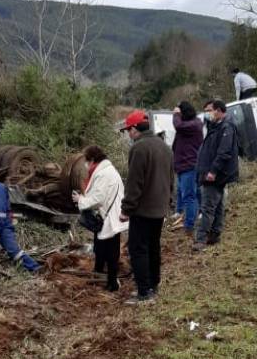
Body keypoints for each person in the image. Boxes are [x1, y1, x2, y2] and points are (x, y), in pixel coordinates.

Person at [119, 110, 174, 304]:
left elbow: (134, 183)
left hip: (143, 209)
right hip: (159, 208)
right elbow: (170, 179)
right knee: (153, 247)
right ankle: (153, 285)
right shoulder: (164, 147)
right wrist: (169, 201)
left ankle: (144, 292)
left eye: (128, 130)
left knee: (138, 249)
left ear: (134, 129)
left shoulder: (139, 149)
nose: (128, 134)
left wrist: (126, 209)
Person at [72, 145, 128, 292]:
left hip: (109, 217)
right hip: (109, 215)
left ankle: (112, 283)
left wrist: (80, 200)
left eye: (86, 161)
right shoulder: (106, 170)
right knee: (103, 246)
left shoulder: (103, 174)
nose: (85, 164)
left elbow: (98, 198)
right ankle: (101, 273)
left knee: (111, 249)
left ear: (92, 160)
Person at [193, 100, 240, 252]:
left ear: (219, 110)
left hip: (215, 175)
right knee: (218, 206)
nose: (207, 113)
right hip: (215, 174)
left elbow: (224, 152)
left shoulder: (226, 127)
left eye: (209, 110)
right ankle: (214, 235)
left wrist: (213, 171)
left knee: (207, 207)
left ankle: (200, 240)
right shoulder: (217, 126)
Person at [171, 101, 204, 237]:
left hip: (189, 165)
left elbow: (178, 125)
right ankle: (198, 215)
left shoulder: (194, 124)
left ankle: (189, 226)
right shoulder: (192, 124)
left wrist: (176, 114)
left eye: (180, 113)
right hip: (185, 165)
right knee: (193, 193)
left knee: (189, 196)